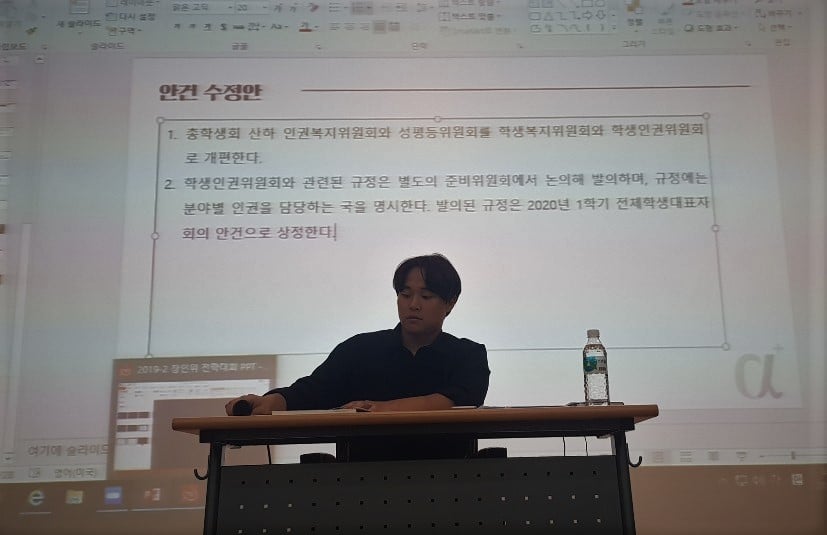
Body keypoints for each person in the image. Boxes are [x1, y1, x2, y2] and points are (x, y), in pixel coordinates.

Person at [225, 253, 490, 460]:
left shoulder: (468, 355)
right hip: (360, 482)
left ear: (450, 303)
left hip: (450, 479)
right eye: (405, 294)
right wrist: (272, 401)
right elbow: (314, 390)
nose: (413, 304)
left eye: (426, 296)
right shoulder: (360, 349)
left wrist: (377, 409)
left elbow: (457, 401)